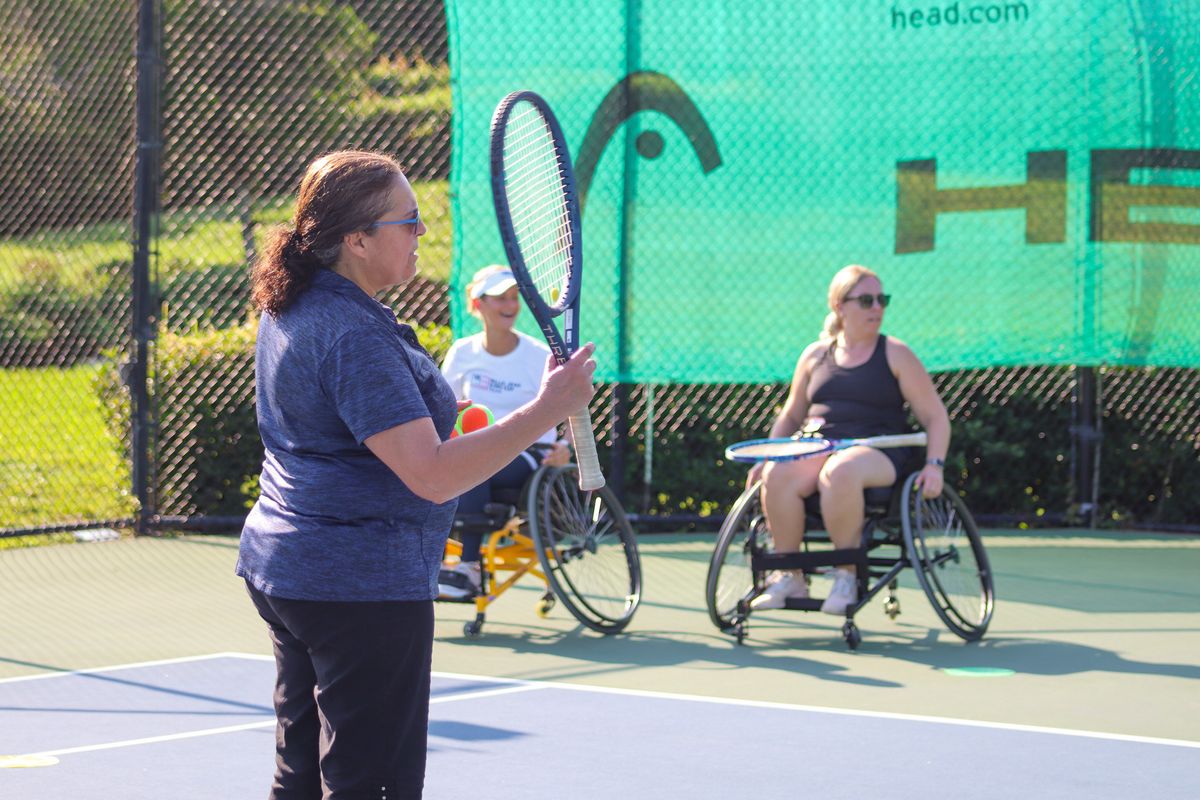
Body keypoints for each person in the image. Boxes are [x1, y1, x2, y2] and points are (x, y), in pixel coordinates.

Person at [237, 150, 596, 800]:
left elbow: (337, 425)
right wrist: (548, 410)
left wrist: (430, 414)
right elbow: (429, 476)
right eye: (409, 220)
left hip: (289, 570)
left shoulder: (296, 305)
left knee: (300, 777)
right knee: (373, 785)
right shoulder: (352, 333)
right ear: (357, 238)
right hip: (357, 583)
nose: (422, 233)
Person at [748, 264, 950, 615]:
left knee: (841, 470)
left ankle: (847, 574)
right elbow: (792, 415)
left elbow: (935, 417)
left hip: (879, 452)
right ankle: (790, 575)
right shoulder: (814, 355)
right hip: (819, 445)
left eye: (882, 300)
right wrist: (769, 456)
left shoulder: (896, 354)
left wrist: (934, 465)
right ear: (840, 306)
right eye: (867, 301)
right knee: (777, 475)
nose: (878, 308)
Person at [436, 264, 571, 599]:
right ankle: (434, 564)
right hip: (469, 453)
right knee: (452, 463)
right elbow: (442, 408)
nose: (510, 305)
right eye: (500, 299)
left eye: (514, 298)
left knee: (477, 460)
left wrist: (566, 446)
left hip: (526, 457)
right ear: (478, 304)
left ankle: (468, 568)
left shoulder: (539, 355)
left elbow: (569, 408)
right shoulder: (462, 353)